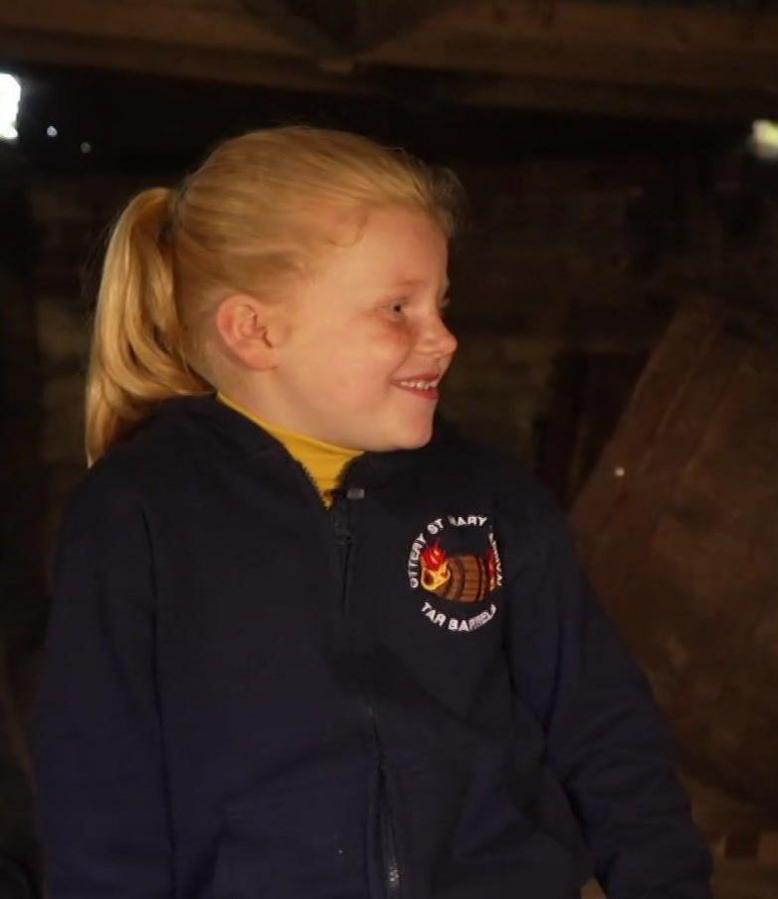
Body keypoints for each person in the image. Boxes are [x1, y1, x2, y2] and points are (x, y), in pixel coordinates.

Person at [33, 126, 711, 898]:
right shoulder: (137, 514)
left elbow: (605, 728)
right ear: (256, 331)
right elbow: (98, 791)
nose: (445, 337)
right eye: (398, 307)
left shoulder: (490, 502)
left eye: (439, 303)